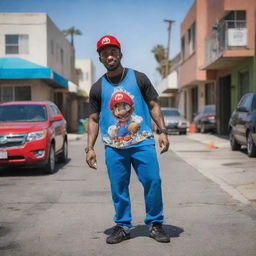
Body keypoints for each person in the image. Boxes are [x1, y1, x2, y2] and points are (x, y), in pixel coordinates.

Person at [85, 35, 170, 244]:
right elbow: (93, 119)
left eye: (113, 51)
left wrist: (163, 131)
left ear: (120, 54)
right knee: (118, 187)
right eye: (105, 53)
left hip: (142, 142)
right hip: (114, 147)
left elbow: (153, 106)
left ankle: (156, 223)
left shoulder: (138, 78)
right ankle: (123, 225)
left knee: (152, 181)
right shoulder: (97, 87)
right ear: (100, 59)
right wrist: (89, 148)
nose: (109, 56)